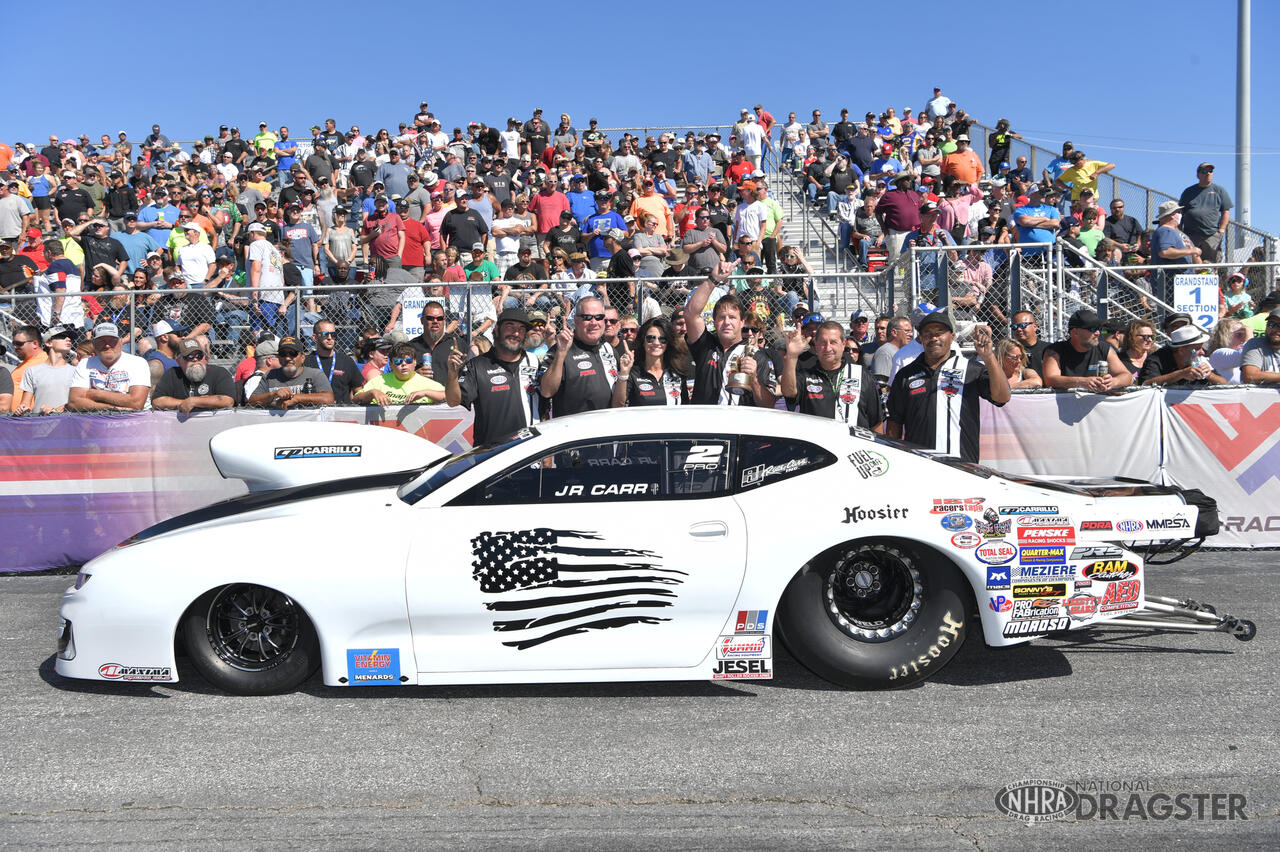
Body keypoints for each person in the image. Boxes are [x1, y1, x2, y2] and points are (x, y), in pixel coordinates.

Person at [886, 315, 1009, 463]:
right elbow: (895, 422)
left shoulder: (971, 369)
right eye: (928, 334)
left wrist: (989, 357)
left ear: (952, 337)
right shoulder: (905, 374)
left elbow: (1002, 397)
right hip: (919, 465)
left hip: (963, 465)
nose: (934, 338)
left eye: (939, 332)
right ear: (921, 339)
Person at [682, 262, 776, 407]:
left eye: (732, 317)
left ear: (742, 322)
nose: (727, 322)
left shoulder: (757, 356)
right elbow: (690, 314)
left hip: (739, 427)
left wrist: (754, 379)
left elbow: (768, 405)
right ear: (714, 321)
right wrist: (713, 279)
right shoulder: (705, 345)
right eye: (721, 317)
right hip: (704, 426)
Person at [444, 308, 540, 444]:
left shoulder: (535, 361)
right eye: (509, 326)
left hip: (529, 450)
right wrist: (452, 375)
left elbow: (544, 406)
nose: (516, 333)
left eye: (521, 328)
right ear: (496, 329)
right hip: (490, 453)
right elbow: (453, 401)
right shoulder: (476, 365)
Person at [780, 320, 882, 428]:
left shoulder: (862, 375)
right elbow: (788, 392)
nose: (828, 348)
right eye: (823, 343)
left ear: (843, 344)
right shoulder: (806, 375)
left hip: (855, 444)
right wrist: (792, 356)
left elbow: (876, 422)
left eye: (833, 342)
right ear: (816, 344)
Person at [537, 296, 619, 417]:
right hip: (574, 431)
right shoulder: (560, 349)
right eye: (587, 317)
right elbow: (546, 391)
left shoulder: (609, 349)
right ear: (575, 320)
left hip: (606, 428)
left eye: (599, 317)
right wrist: (561, 354)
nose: (594, 322)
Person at [1041, 308, 1133, 392]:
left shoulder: (1104, 348)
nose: (1097, 333)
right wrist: (1081, 382)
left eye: (1099, 329)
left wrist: (1113, 382)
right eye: (1092, 329)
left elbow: (1127, 376)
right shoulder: (1055, 350)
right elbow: (1050, 380)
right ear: (1075, 332)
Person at [66, 322, 151, 411]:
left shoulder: (137, 363)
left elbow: (136, 404)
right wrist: (111, 408)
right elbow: (74, 403)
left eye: (112, 340)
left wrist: (97, 394)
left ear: (121, 342)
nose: (107, 345)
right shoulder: (85, 364)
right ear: (94, 344)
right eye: (101, 341)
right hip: (97, 419)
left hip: (134, 419)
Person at [610, 316, 689, 407]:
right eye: (650, 338)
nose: (656, 343)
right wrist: (624, 373)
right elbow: (617, 406)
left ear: (668, 343)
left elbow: (685, 407)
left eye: (662, 339)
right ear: (643, 341)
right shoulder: (633, 373)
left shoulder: (677, 373)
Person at [245, 335, 336, 409]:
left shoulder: (316, 374)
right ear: (279, 357)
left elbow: (328, 398)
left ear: (302, 357)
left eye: (293, 353)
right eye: (283, 354)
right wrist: (274, 394)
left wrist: (296, 398)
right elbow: (252, 401)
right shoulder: (270, 375)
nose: (287, 358)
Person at [152, 338, 236, 413]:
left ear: (205, 358)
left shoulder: (219, 373)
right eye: (189, 356)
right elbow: (157, 401)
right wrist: (184, 403)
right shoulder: (172, 374)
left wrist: (195, 401)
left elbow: (228, 400)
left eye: (199, 355)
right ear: (178, 361)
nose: (195, 359)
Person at [353, 342, 444, 405]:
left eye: (408, 360)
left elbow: (449, 397)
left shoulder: (426, 383)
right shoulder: (380, 381)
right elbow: (355, 399)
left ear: (415, 362)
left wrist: (425, 392)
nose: (404, 364)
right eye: (398, 361)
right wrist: (373, 392)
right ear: (391, 365)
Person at [15, 325, 77, 415]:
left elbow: (77, 402)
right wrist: (22, 408)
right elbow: (25, 403)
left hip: (66, 424)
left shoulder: (76, 372)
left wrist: (57, 410)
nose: (68, 339)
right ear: (48, 343)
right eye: (62, 336)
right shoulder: (32, 371)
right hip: (39, 425)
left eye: (70, 338)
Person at [1177, 163, 1232, 263]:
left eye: (1210, 171)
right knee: (1189, 262)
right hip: (1191, 235)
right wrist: (1179, 230)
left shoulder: (1219, 191)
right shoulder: (1188, 192)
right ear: (1198, 175)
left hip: (1211, 234)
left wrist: (1222, 230)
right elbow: (1181, 212)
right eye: (1204, 171)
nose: (1208, 174)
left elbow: (1226, 211)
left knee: (1211, 264)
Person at [1140, 325, 1226, 386]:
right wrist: (1181, 374)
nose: (1202, 352)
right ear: (1181, 350)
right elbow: (1146, 384)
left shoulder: (1199, 359)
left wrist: (1210, 375)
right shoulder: (1157, 359)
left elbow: (1225, 385)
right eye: (1197, 348)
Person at [308, 320, 364, 405]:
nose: (330, 338)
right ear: (315, 337)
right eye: (325, 334)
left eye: (333, 334)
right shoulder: (306, 362)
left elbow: (358, 391)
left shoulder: (346, 361)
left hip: (341, 414)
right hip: (315, 413)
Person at [1240, 308, 1280, 385]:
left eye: (1279, 325)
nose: (1274, 329)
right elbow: (1250, 376)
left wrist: (1267, 376)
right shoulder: (1255, 345)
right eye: (1271, 324)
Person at [1207, 318, 1250, 383]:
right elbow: (1246, 357)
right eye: (1239, 335)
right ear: (1225, 336)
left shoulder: (1238, 354)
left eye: (1245, 335)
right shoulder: (1218, 354)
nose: (1244, 339)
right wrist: (1249, 332)